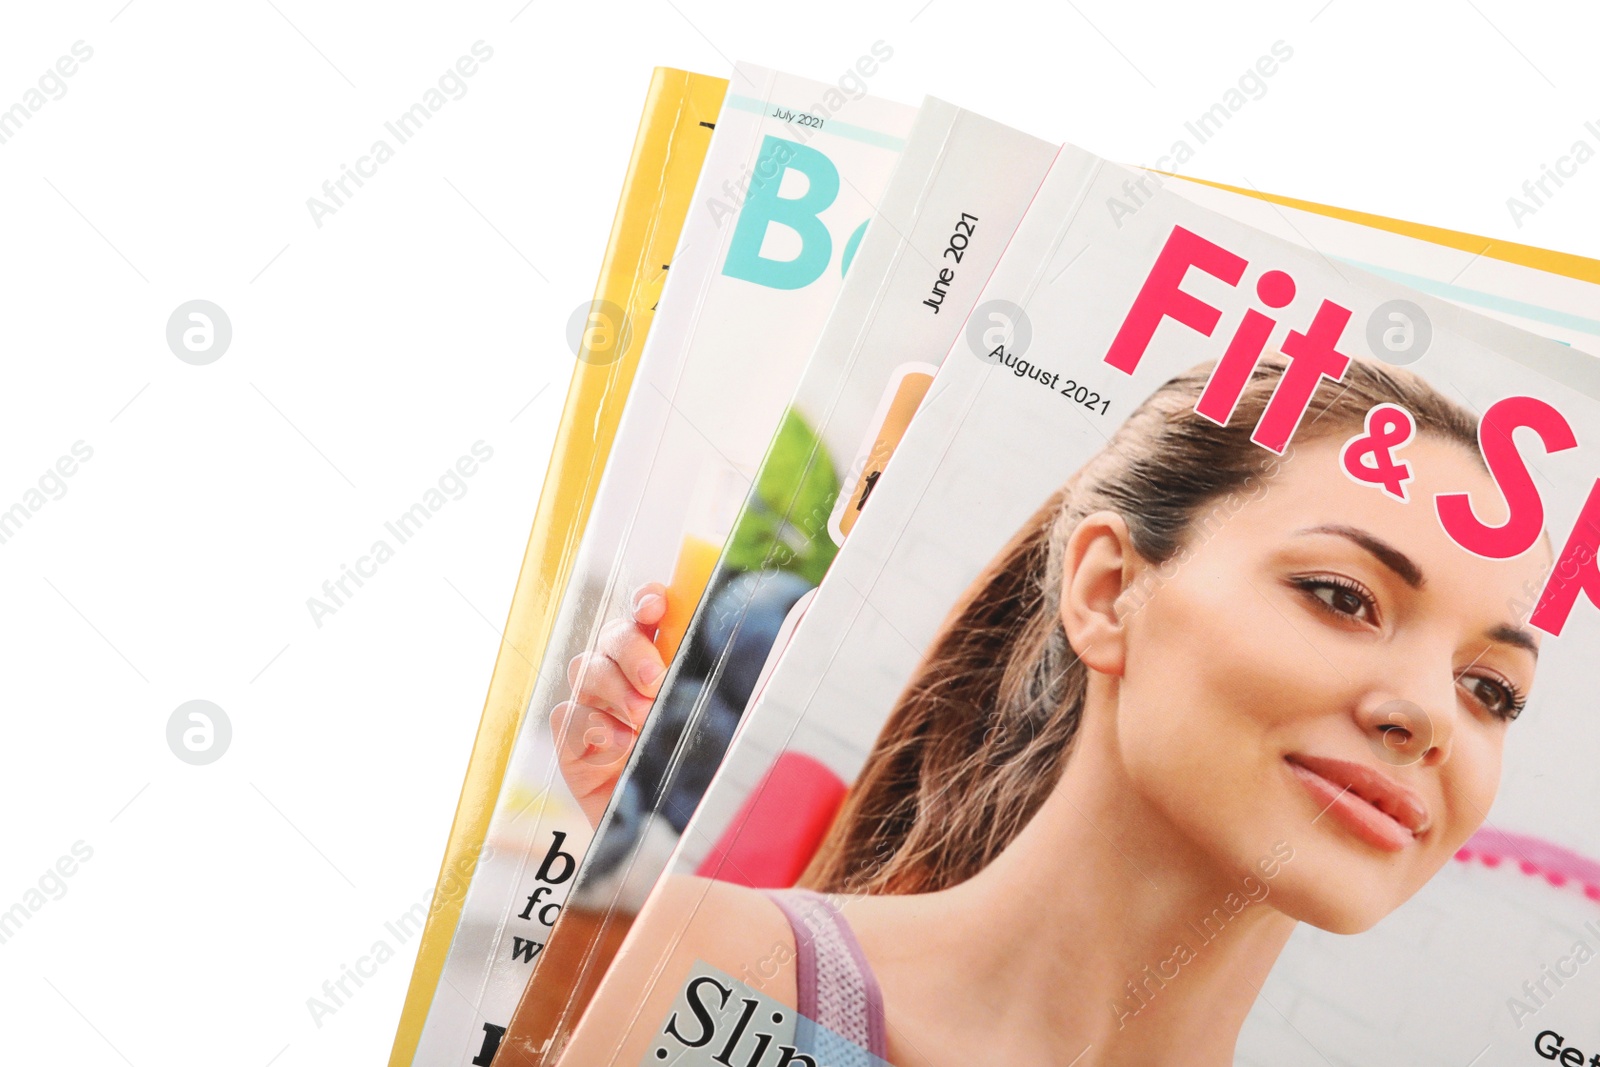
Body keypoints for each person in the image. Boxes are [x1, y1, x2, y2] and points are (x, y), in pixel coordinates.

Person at [558, 356, 1548, 1066]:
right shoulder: (715, 961)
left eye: (1490, 690)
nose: (1429, 715)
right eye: (1340, 594)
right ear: (1110, 588)